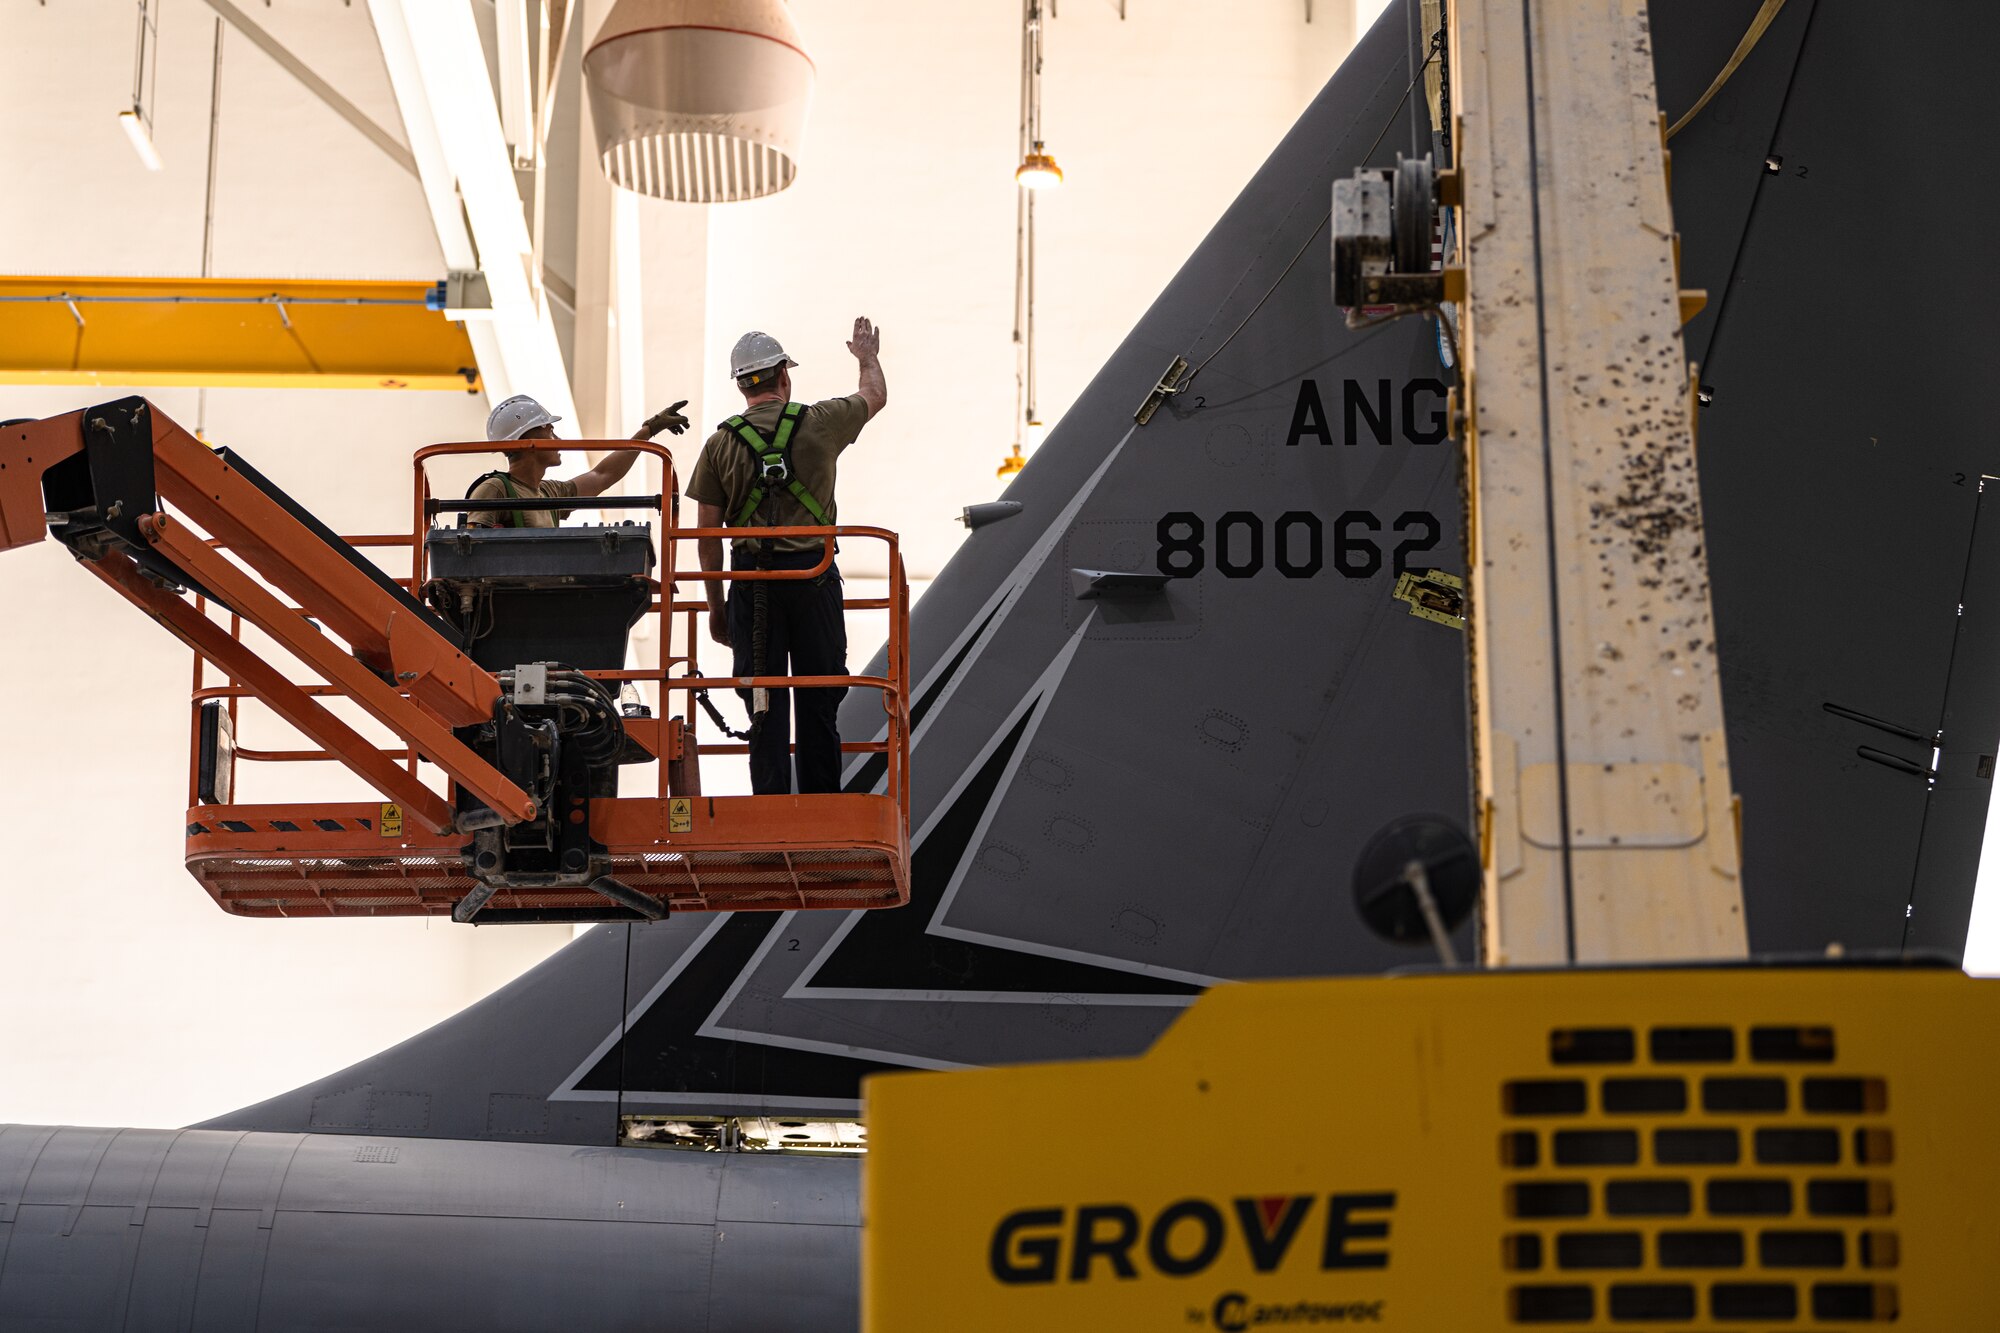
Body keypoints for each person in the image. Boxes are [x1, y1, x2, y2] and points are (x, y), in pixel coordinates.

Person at [685, 319, 886, 795]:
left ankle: (768, 806)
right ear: (784, 377)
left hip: (752, 589)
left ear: (740, 385)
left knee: (763, 703)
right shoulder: (820, 422)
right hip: (814, 581)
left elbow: (707, 536)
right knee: (819, 701)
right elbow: (873, 396)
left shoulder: (719, 445)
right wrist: (866, 358)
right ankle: (822, 805)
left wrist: (716, 608)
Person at [468, 394, 691, 528]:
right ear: (526, 440)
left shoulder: (549, 493)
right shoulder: (495, 489)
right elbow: (469, 552)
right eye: (550, 431)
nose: (558, 440)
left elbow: (602, 475)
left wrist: (649, 430)